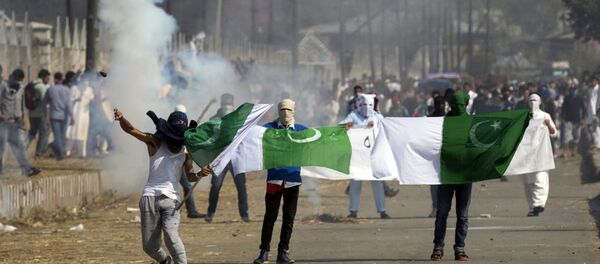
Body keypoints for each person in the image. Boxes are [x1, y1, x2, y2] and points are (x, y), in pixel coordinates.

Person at [114, 107, 212, 264]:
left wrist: (201, 173)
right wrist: (121, 119)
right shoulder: (154, 142)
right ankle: (165, 261)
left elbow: (190, 176)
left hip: (172, 200)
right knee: (149, 246)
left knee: (171, 236)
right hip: (149, 197)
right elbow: (131, 129)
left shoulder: (186, 152)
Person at [253, 99, 305, 264]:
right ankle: (264, 251)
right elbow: (253, 135)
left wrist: (341, 131)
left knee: (289, 218)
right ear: (278, 111)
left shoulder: (302, 131)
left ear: (294, 111)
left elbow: (321, 138)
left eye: (289, 109)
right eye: (282, 109)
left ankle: (283, 251)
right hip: (274, 180)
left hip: (293, 180)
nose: (285, 113)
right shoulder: (269, 129)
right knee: (270, 217)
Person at [431, 92, 471, 261]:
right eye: (456, 105)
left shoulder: (472, 123)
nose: (458, 108)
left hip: (465, 175)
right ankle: (438, 247)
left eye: (461, 105)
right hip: (446, 174)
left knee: (462, 214)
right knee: (442, 213)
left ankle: (460, 248)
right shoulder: (442, 122)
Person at [340, 93, 390, 219]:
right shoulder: (353, 115)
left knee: (378, 183)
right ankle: (353, 211)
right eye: (363, 105)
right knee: (355, 183)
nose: (366, 107)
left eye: (369, 105)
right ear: (359, 104)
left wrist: (377, 125)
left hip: (373, 157)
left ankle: (382, 210)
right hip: (357, 157)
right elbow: (340, 126)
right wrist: (347, 126)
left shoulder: (377, 116)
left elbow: (386, 129)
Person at [206, 93, 249, 223]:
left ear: (233, 103)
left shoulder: (239, 119)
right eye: (225, 103)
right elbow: (209, 139)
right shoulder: (214, 119)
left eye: (229, 103)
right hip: (220, 159)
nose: (227, 105)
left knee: (241, 187)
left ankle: (244, 214)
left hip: (236, 158)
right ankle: (210, 213)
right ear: (221, 103)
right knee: (215, 186)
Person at [0, 69, 41, 176]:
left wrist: (22, 117)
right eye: (18, 80)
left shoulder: (21, 88)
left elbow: (22, 103)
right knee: (1, 148)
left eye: (21, 80)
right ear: (12, 77)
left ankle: (27, 169)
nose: (19, 83)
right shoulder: (3, 85)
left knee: (20, 146)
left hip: (16, 123)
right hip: (3, 123)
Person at [522, 92, 556, 217]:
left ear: (540, 102)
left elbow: (554, 133)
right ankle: (533, 208)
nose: (533, 102)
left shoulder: (545, 116)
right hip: (526, 154)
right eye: (531, 100)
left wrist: (548, 125)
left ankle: (539, 204)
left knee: (540, 179)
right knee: (528, 182)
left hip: (541, 153)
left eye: (535, 100)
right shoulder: (524, 116)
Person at [173, 104, 204, 219]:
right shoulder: (170, 127)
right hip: (174, 163)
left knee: (186, 186)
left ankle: (191, 211)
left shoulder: (181, 126)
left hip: (182, 162)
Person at [44, 71, 75, 160]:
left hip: (54, 115)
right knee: (62, 135)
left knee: (57, 135)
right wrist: (72, 116)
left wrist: (46, 115)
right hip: (64, 116)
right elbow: (69, 105)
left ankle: (60, 153)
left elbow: (45, 103)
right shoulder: (66, 90)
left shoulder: (50, 89)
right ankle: (60, 153)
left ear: (54, 79)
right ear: (61, 79)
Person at [427, 96, 446, 218]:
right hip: (433, 154)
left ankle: (441, 207)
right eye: (440, 104)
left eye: (442, 104)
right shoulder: (429, 119)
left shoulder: (448, 118)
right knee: (434, 183)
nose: (441, 106)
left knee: (442, 183)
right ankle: (436, 207)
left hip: (444, 153)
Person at [65, 78, 94, 158]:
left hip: (84, 115)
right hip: (75, 113)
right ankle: (67, 151)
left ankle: (82, 153)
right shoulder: (74, 88)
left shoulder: (90, 90)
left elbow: (92, 99)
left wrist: (90, 102)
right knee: (72, 133)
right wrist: (76, 99)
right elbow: (70, 100)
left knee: (83, 134)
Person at [25, 69, 51, 157]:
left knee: (32, 132)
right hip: (40, 114)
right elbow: (45, 102)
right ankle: (39, 152)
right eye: (47, 78)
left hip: (31, 113)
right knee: (43, 133)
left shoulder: (32, 84)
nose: (48, 80)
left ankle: (23, 147)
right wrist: (47, 115)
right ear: (43, 77)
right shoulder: (42, 87)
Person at [560, 87, 585, 158]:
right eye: (571, 90)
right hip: (568, 121)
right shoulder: (567, 98)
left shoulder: (580, 98)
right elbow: (563, 109)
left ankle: (574, 151)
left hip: (577, 121)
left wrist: (583, 119)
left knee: (577, 136)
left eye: (574, 90)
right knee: (566, 137)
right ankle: (565, 152)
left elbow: (584, 109)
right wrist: (562, 118)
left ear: (576, 90)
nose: (573, 91)